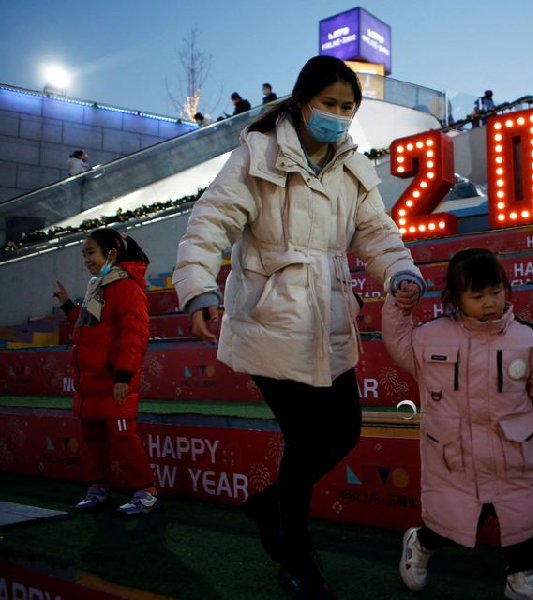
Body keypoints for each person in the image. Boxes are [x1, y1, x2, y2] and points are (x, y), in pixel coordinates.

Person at [172, 55, 424, 599]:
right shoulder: (257, 153)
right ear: (303, 101)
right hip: (267, 316)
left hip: (330, 317)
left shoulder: (354, 167)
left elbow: (377, 232)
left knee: (345, 431)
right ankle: (294, 558)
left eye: (347, 108)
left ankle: (271, 509)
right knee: (307, 437)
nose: (337, 116)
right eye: (329, 104)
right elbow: (211, 220)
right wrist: (198, 286)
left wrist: (399, 269)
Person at [382, 248, 533, 600]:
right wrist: (400, 304)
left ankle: (521, 579)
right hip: (455, 457)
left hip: (515, 454)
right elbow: (397, 342)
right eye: (477, 296)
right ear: (455, 299)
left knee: (526, 522)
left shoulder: (528, 340)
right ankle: (420, 545)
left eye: (496, 292)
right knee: (450, 523)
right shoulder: (430, 337)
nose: (490, 302)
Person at [53, 228, 158, 516]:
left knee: (123, 437)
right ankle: (98, 488)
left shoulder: (127, 288)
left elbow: (134, 335)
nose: (86, 260)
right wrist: (67, 307)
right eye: (84, 254)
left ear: (111, 253)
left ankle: (145, 492)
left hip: (115, 382)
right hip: (91, 382)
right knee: (94, 438)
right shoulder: (99, 286)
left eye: (90, 253)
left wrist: (124, 375)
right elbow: (91, 327)